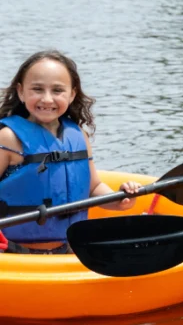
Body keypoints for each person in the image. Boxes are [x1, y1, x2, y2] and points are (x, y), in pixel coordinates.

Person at [0, 50, 141, 254]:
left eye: (57, 90)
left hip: (68, 250)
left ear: (72, 94)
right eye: (37, 89)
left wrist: (120, 199)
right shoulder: (8, 138)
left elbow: (93, 188)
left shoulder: (78, 136)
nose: (47, 99)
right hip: (12, 253)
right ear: (21, 92)